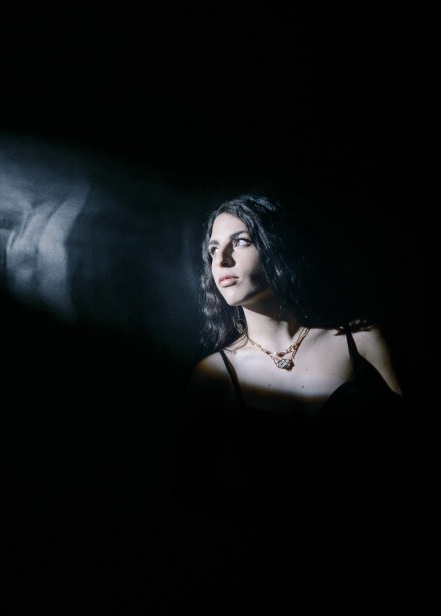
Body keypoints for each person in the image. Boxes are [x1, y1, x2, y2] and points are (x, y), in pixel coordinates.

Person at [171, 193, 414, 612]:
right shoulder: (213, 375)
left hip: (380, 566)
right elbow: (189, 495)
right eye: (213, 249)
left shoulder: (363, 341)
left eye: (241, 241)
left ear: (277, 245)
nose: (221, 260)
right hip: (274, 581)